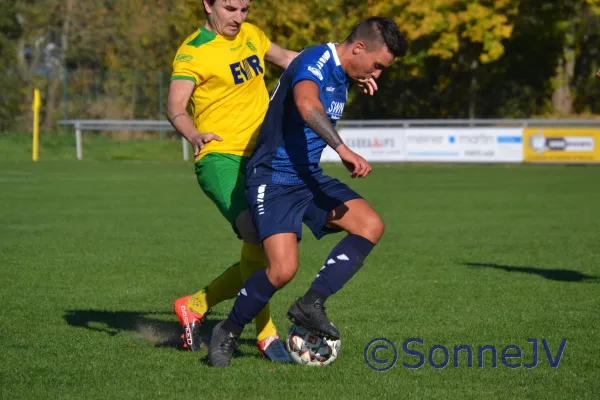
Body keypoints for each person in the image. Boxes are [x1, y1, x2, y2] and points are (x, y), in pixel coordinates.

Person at [207, 16, 409, 367]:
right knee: (282, 269)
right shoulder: (316, 59)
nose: (377, 74)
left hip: (307, 176)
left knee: (370, 225)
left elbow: (326, 92)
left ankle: (310, 304)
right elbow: (305, 103)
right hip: (273, 177)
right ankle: (227, 330)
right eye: (377, 66)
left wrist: (354, 77)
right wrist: (342, 149)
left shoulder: (342, 74)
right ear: (358, 47)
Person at [166, 0, 298, 361]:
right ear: (208, 4)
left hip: (260, 159)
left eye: (244, 9)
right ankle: (266, 335)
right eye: (230, 8)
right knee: (258, 235)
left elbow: (289, 58)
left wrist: (343, 66)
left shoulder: (252, 36)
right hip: (219, 159)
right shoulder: (193, 52)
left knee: (264, 244)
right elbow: (175, 106)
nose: (238, 18)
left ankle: (194, 304)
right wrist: (193, 134)